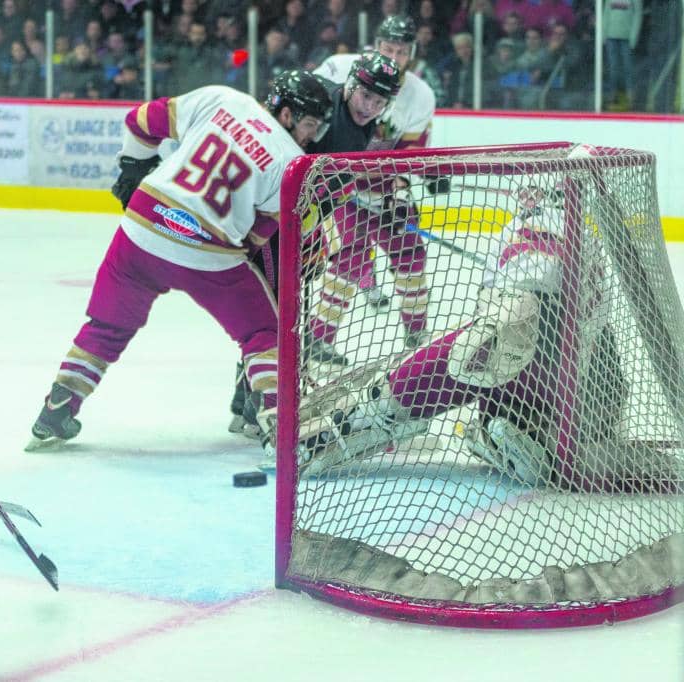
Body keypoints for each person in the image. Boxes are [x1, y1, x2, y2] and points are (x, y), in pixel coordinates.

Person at [27, 70, 332, 449]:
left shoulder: (223, 97)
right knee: (264, 332)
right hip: (209, 251)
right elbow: (259, 234)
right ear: (286, 113)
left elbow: (139, 122)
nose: (310, 137)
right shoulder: (291, 160)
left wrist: (133, 167)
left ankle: (57, 409)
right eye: (308, 125)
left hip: (143, 226)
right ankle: (276, 421)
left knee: (107, 325)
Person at [294, 181, 639, 488]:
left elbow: (513, 313)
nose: (522, 196)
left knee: (464, 356)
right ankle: (528, 432)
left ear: (547, 198)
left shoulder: (535, 228)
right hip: (580, 385)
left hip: (523, 359)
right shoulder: (589, 242)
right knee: (502, 381)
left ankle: (355, 422)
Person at [228, 53, 403, 436]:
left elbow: (333, 184)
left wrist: (375, 203)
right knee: (273, 314)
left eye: (380, 102)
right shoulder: (321, 104)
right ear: (351, 86)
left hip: (297, 226)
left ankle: (246, 404)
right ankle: (261, 406)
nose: (370, 108)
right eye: (366, 97)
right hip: (272, 223)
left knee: (282, 313)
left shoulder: (364, 124)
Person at [313, 15, 438, 348]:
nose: (394, 57)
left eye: (401, 51)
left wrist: (398, 194)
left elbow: (407, 156)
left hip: (384, 189)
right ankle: (319, 340)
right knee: (348, 258)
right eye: (388, 48)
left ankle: (416, 334)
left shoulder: (421, 96)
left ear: (411, 52)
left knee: (411, 254)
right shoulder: (338, 68)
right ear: (375, 45)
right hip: (337, 186)